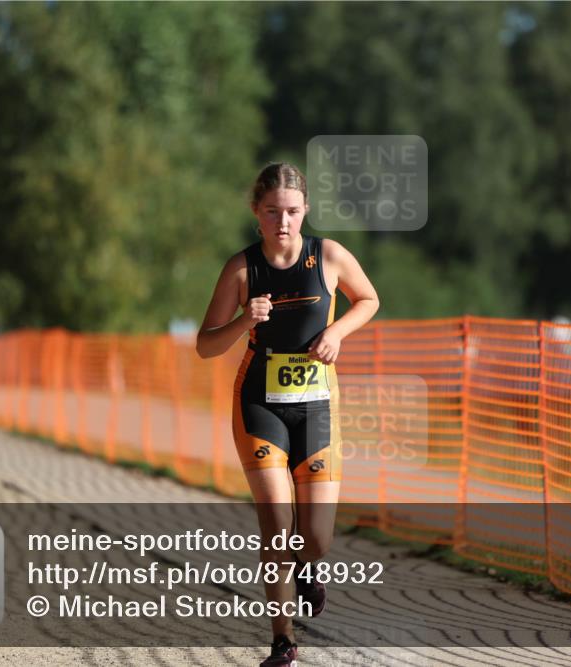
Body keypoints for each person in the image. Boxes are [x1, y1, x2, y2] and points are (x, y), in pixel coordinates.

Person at [197, 162, 379, 667]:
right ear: (257, 213)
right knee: (276, 526)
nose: (283, 222)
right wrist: (241, 321)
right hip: (259, 403)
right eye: (273, 212)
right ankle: (283, 640)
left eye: (293, 212)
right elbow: (204, 346)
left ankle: (309, 566)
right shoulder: (241, 269)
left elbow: (368, 299)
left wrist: (336, 333)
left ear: (306, 213)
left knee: (315, 540)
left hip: (317, 405)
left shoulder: (331, 256)